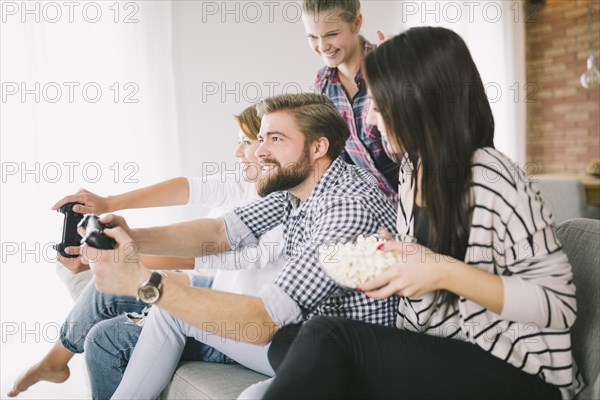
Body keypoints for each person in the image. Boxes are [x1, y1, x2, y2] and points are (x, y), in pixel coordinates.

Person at [261, 27, 584, 399]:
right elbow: (430, 261)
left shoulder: (494, 179)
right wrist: (398, 254)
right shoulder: (412, 170)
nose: (368, 122)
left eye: (379, 108)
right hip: (445, 348)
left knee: (325, 338)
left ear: (418, 105)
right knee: (288, 339)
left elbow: (557, 306)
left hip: (520, 371)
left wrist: (441, 271)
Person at [82, 93, 399, 399]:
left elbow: (264, 322)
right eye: (260, 139)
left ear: (318, 147)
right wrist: (131, 237)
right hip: (300, 340)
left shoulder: (348, 208)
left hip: (340, 360)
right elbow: (222, 232)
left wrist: (143, 282)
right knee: (170, 313)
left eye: (275, 139)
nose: (259, 152)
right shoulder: (298, 185)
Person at [7, 105, 286, 399]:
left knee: (107, 337)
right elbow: (189, 190)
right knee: (109, 295)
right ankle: (53, 362)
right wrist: (109, 205)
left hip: (241, 312)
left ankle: (53, 362)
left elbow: (210, 253)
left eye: (247, 142)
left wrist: (126, 258)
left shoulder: (287, 205)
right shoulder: (254, 186)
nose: (238, 153)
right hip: (223, 288)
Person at [302, 0, 399, 202]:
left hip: (415, 201)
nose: (322, 46)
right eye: (312, 37)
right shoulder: (323, 84)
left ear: (356, 23)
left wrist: (399, 66)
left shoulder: (388, 65)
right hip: (373, 209)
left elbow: (416, 146)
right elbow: (339, 159)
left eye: (331, 34)